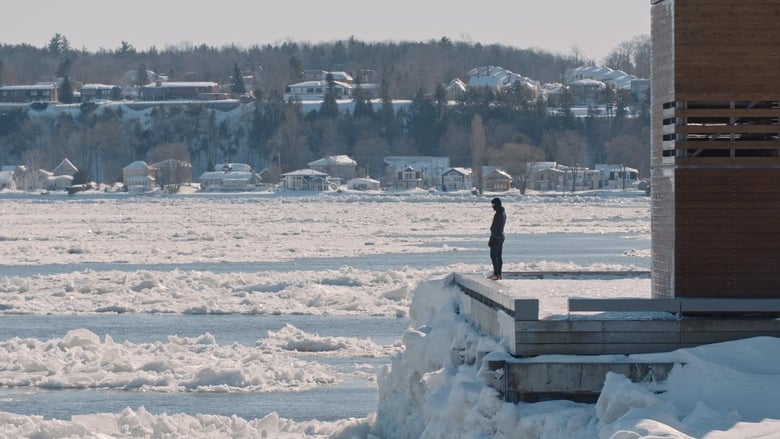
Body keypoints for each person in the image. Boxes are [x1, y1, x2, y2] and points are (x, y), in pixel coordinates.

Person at [488, 197, 506, 280]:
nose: (492, 206)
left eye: (493, 204)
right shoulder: (503, 213)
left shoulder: (498, 214)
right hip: (501, 236)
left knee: (493, 256)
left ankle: (496, 274)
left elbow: (495, 228)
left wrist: (491, 239)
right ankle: (499, 274)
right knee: (498, 256)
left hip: (497, 237)